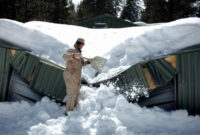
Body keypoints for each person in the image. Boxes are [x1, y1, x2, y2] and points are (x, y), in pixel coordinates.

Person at [62, 38, 92, 116]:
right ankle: (68, 113)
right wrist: (73, 55)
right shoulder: (72, 50)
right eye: (82, 45)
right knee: (72, 94)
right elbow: (64, 57)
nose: (83, 46)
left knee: (76, 93)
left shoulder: (78, 52)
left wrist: (88, 62)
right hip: (70, 75)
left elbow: (81, 64)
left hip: (76, 76)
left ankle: (72, 111)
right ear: (80, 44)